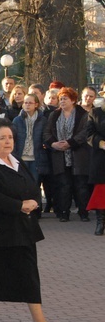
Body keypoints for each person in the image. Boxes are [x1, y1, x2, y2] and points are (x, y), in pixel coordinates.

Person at [0, 120, 59, 322]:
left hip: (23, 229)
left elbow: (31, 186)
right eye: (2, 137)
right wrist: (19, 205)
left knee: (30, 275)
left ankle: (39, 321)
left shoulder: (16, 161)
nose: (7, 141)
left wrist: (34, 201)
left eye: (10, 137)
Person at [43, 87, 92, 222]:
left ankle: (83, 212)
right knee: (64, 186)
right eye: (61, 99)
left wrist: (70, 143)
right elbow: (47, 133)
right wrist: (54, 144)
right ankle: (64, 213)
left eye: (65, 99)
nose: (62, 101)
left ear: (73, 100)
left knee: (80, 186)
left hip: (78, 155)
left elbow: (85, 132)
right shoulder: (54, 115)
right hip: (60, 155)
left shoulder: (83, 114)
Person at [11, 94, 49, 184]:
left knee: (34, 183)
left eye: (30, 103)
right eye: (25, 103)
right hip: (21, 157)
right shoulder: (17, 120)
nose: (27, 105)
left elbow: (45, 138)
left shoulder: (43, 120)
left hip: (36, 157)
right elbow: (14, 139)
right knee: (21, 183)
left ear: (36, 104)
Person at [88, 98, 105, 235]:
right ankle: (100, 222)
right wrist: (102, 143)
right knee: (101, 192)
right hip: (101, 157)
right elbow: (89, 134)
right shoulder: (95, 112)